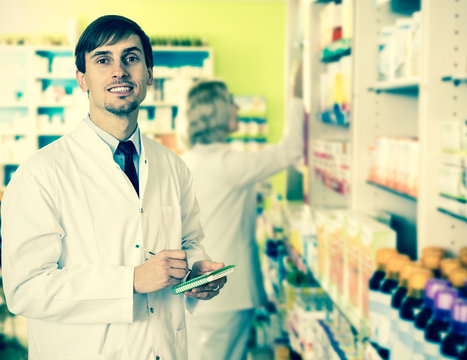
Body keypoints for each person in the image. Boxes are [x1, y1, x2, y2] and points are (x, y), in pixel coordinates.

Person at [0, 15, 227, 360]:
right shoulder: (40, 173)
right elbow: (25, 289)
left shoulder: (172, 166)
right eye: (103, 60)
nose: (119, 71)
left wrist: (196, 272)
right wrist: (131, 281)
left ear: (149, 74)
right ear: (82, 79)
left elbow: (189, 242)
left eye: (131, 58)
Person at [182, 63, 304, 360]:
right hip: (225, 296)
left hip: (200, 291)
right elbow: (290, 151)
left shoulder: (189, 160)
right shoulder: (227, 164)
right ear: (219, 112)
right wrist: (297, 96)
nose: (237, 108)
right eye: (231, 103)